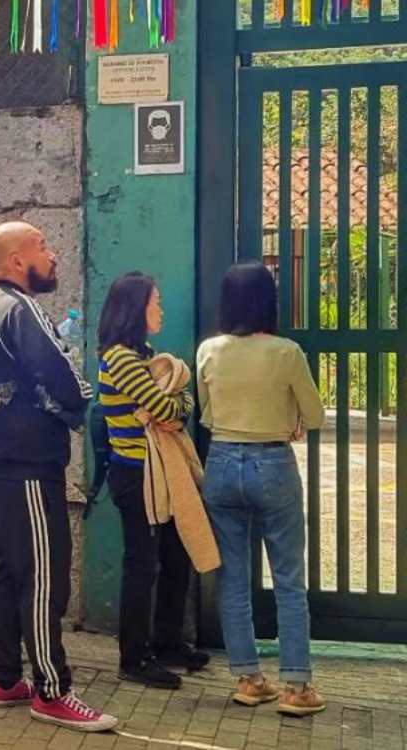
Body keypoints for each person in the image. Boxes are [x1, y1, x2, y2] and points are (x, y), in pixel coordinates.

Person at [0, 221, 116, 732]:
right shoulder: (22, 307)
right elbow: (58, 372)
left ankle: (5, 678)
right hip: (30, 466)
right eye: (43, 248)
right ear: (16, 261)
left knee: (10, 571)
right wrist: (79, 401)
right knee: (44, 576)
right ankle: (51, 690)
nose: (52, 256)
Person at [197, 261, 326, 716]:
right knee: (289, 578)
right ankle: (296, 688)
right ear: (267, 301)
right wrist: (289, 420)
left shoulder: (209, 350)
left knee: (232, 577)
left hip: (222, 463)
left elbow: (208, 415)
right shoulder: (287, 352)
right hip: (272, 462)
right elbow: (315, 416)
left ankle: (249, 679)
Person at [96, 272, 208, 689]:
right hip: (136, 473)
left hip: (158, 472)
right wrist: (180, 401)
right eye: (155, 302)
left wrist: (179, 403)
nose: (161, 309)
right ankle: (134, 657)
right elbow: (169, 410)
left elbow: (175, 406)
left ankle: (168, 642)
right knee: (141, 566)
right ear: (135, 308)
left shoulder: (143, 354)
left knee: (175, 559)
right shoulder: (122, 357)